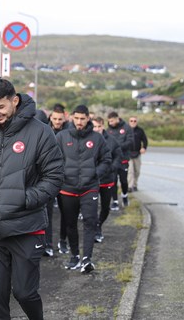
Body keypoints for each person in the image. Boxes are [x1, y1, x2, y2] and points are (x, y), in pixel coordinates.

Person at [0, 78, 64, 320]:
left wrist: (23, 198)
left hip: (26, 228)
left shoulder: (40, 132)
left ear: (15, 101)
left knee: (24, 292)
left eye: (1, 107)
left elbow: (54, 178)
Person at [56, 105, 111, 273]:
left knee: (90, 222)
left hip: (89, 188)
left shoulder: (97, 138)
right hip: (67, 189)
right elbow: (53, 160)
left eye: (82, 118)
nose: (79, 122)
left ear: (88, 119)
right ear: (72, 117)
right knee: (70, 224)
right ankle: (74, 257)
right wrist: (61, 176)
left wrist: (95, 173)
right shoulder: (61, 137)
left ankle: (87, 259)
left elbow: (106, 159)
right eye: (77, 118)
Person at [92, 117, 123, 243]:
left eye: (99, 126)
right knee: (91, 207)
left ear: (103, 126)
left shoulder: (112, 141)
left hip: (107, 179)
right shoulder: (87, 140)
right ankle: (94, 229)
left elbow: (118, 155)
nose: (97, 129)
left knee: (105, 207)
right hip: (92, 181)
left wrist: (112, 168)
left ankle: (99, 224)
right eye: (94, 126)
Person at [47, 105, 71, 255]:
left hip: (65, 180)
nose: (57, 122)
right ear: (50, 117)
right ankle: (47, 244)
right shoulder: (44, 130)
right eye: (54, 119)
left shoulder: (70, 132)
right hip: (49, 179)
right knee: (47, 214)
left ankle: (63, 240)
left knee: (66, 214)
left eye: (60, 119)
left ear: (65, 118)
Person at [106, 112, 134, 209]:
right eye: (109, 121)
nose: (110, 123)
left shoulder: (127, 128)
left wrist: (117, 147)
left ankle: (125, 196)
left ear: (117, 119)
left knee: (124, 181)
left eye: (112, 121)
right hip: (113, 161)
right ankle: (115, 201)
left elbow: (130, 141)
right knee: (113, 181)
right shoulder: (108, 130)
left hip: (123, 160)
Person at [128, 116, 148, 192]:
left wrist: (144, 148)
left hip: (137, 153)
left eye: (134, 121)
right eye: (131, 121)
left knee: (137, 171)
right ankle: (129, 186)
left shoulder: (140, 131)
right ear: (129, 121)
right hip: (128, 153)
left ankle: (135, 184)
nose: (133, 122)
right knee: (130, 170)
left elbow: (145, 140)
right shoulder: (126, 130)